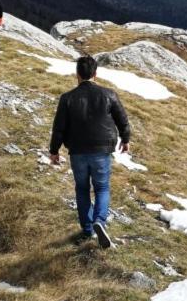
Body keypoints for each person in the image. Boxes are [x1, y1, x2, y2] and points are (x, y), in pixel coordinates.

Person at [50, 55, 131, 249]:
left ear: (77, 74)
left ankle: (87, 230)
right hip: (102, 150)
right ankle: (99, 222)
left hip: (77, 151)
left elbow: (59, 128)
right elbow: (123, 120)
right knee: (102, 187)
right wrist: (125, 140)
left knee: (82, 189)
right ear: (96, 74)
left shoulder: (67, 98)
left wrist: (54, 151)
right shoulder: (109, 94)